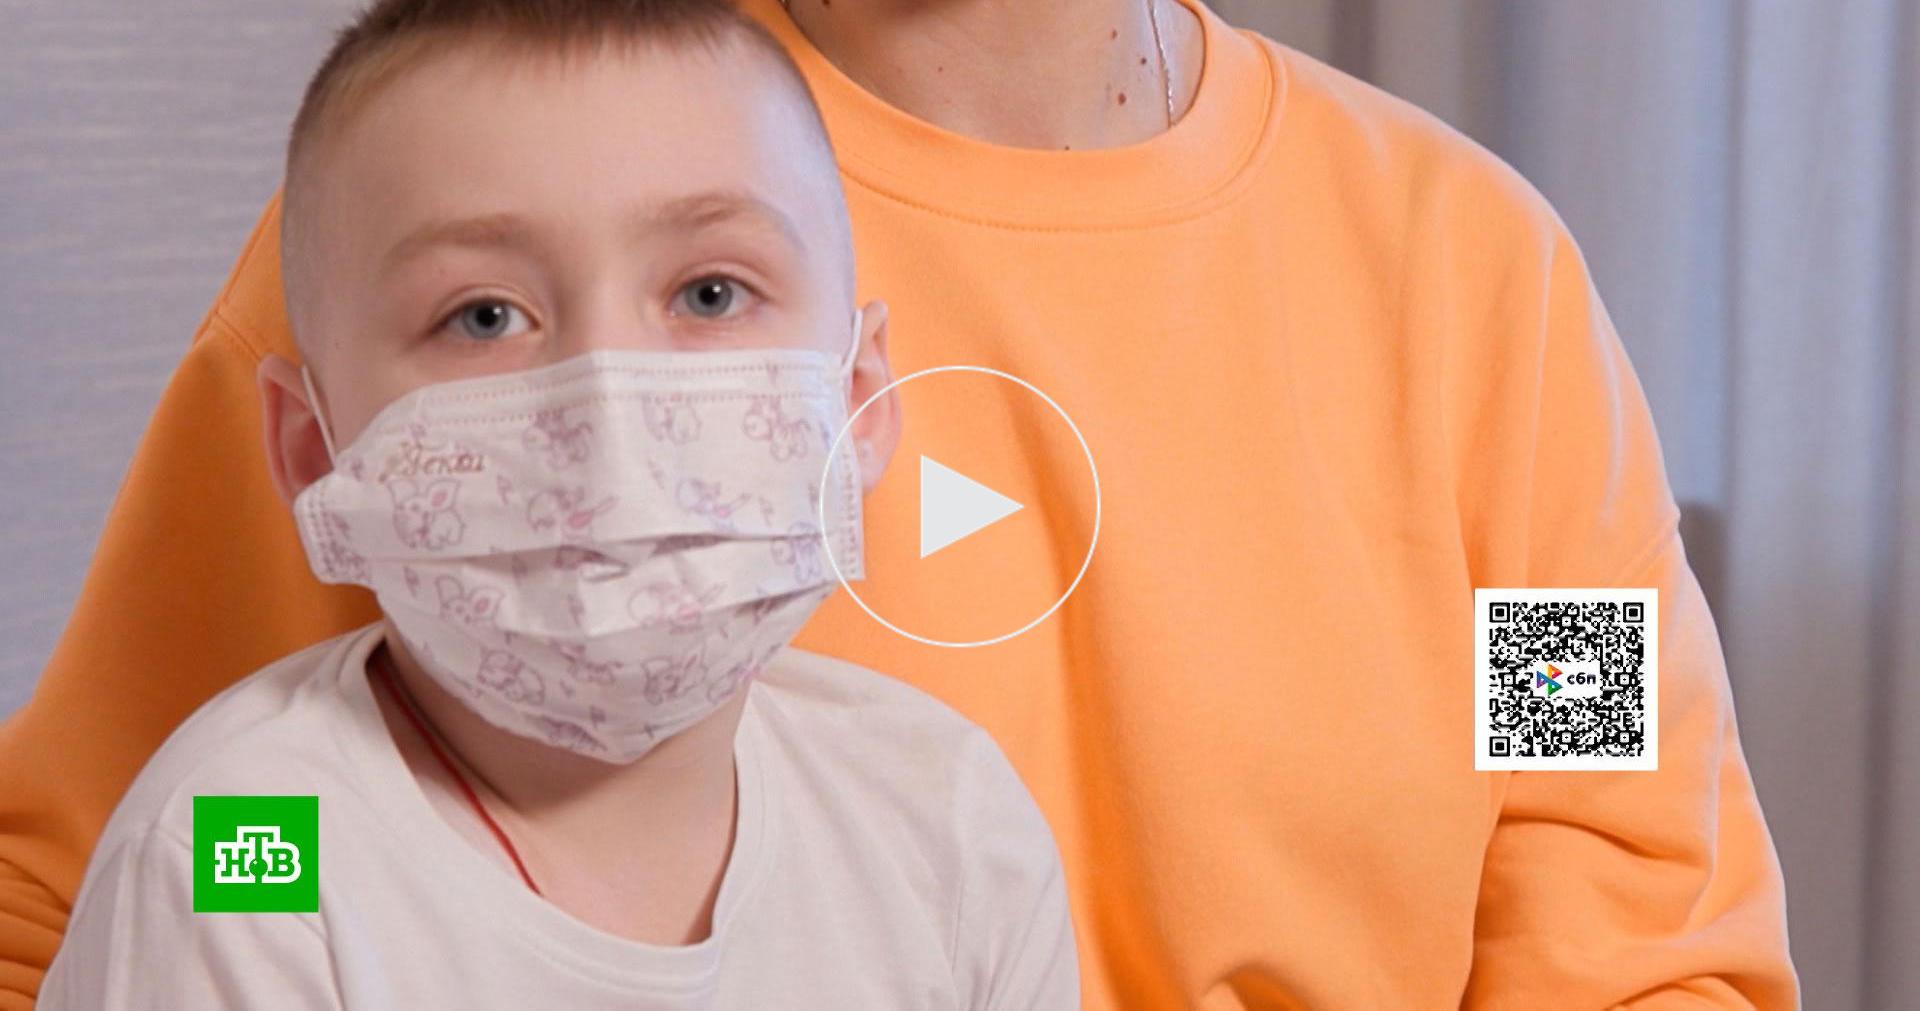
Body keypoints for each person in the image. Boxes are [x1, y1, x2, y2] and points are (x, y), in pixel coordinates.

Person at [1, 0, 1799, 1006]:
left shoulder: (1477, 285)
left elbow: (1626, 904)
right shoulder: (486, 199)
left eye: (714, 295)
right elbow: (114, 895)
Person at [30, 1, 1077, 1006]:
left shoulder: (945, 822)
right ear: (313, 446)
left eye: (709, 294)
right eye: (485, 316)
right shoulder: (248, 844)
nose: (607, 405)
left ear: (857, 401)